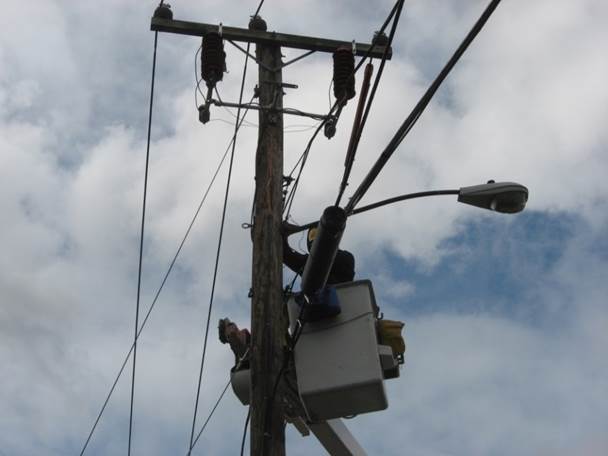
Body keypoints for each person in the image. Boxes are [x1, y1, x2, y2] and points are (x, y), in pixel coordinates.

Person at [282, 222, 355, 284]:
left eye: (320, 235)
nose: (316, 239)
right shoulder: (310, 263)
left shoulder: (346, 258)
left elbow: (288, 256)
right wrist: (284, 235)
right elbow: (287, 255)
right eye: (312, 236)